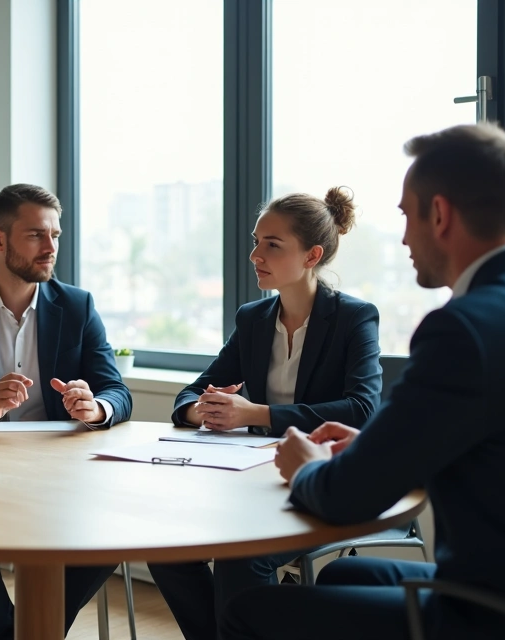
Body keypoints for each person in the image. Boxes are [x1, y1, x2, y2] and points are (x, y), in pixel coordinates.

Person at [220, 123, 505, 640]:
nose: (403, 237)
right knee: (349, 572)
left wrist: (309, 468)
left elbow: (343, 500)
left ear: (439, 214)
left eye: (406, 215)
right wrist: (378, 447)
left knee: (251, 610)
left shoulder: (465, 327)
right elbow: (503, 447)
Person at [149, 187, 382, 640]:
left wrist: (254, 412)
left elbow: (362, 409)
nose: (256, 254)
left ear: (312, 255)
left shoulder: (355, 317)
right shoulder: (253, 319)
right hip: (252, 482)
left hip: (323, 484)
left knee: (242, 556)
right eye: (256, 241)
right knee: (166, 548)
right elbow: (191, 393)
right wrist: (204, 411)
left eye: (272, 245)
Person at [0, 183, 131, 639]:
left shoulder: (77, 306)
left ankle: (28, 629)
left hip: (62, 471)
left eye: (55, 235)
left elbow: (117, 391)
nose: (50, 247)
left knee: (119, 522)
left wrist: (94, 408)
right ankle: (11, 630)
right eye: (36, 235)